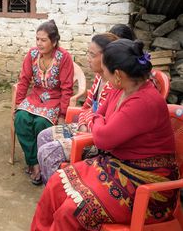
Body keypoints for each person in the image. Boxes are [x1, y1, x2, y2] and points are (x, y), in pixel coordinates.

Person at [31, 39, 178, 230]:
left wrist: (96, 121)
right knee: (55, 184)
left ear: (117, 74)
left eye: (105, 69)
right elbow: (98, 114)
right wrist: (99, 121)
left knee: (72, 210)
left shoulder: (144, 101)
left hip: (143, 180)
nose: (102, 74)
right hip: (116, 165)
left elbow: (102, 139)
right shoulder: (122, 89)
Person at [36, 33, 118, 185]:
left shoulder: (114, 86)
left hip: (97, 141)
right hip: (85, 128)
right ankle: (51, 184)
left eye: (92, 54)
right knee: (43, 136)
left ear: (108, 57)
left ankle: (62, 192)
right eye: (88, 52)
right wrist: (83, 123)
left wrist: (87, 124)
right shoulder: (99, 77)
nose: (88, 57)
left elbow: (103, 124)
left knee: (47, 153)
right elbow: (87, 107)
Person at [14, 20, 74, 185]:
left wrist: (63, 113)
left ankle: (41, 163)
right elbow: (24, 80)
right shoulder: (32, 54)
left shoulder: (64, 57)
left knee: (41, 122)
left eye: (43, 40)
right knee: (20, 118)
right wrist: (19, 103)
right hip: (36, 96)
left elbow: (67, 88)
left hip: (54, 99)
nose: (39, 43)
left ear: (54, 42)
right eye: (37, 39)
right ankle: (34, 162)